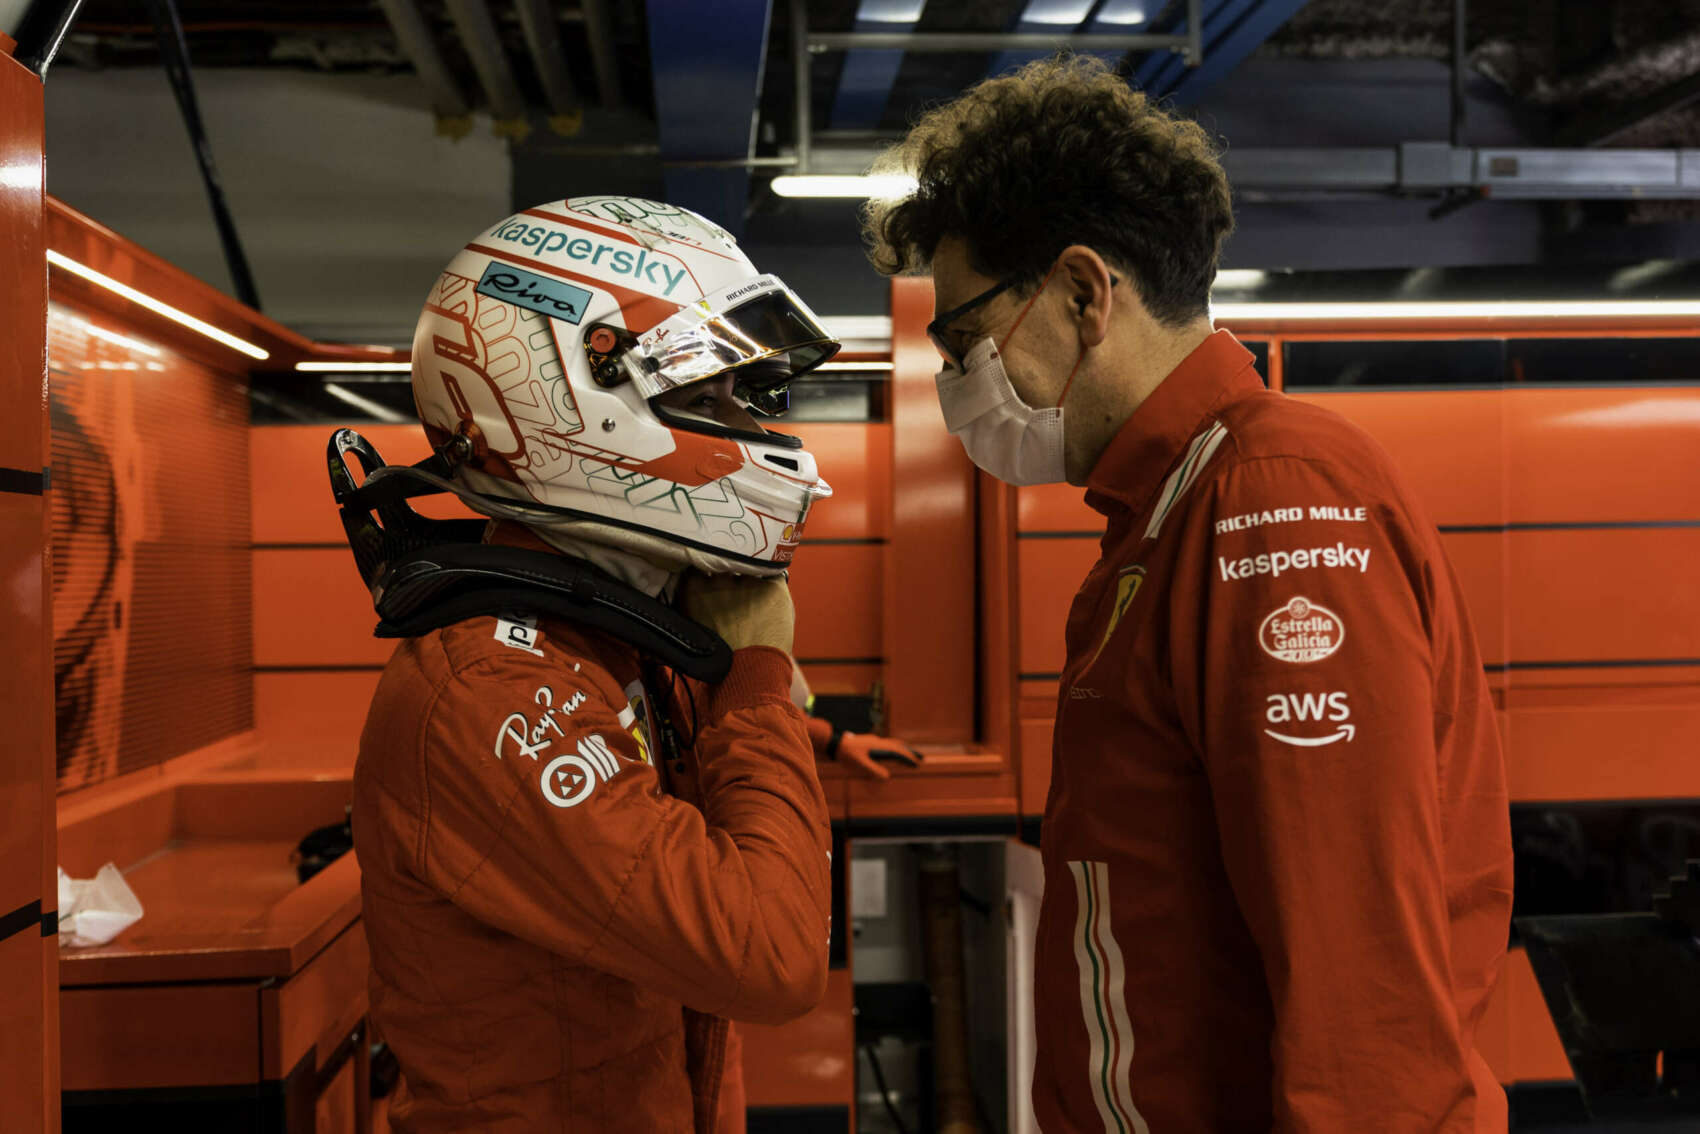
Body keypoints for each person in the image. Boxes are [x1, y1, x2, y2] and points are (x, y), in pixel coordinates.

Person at [865, 57, 1514, 1132]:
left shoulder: (1273, 502)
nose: (956, 382)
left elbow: (1357, 974)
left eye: (962, 337)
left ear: (1081, 293)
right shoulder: (1163, 515)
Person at [350, 196, 841, 1133]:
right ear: (568, 403)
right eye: (705, 397)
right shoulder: (489, 690)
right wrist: (758, 676)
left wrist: (798, 719)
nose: (752, 424)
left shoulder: (603, 629)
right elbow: (772, 959)